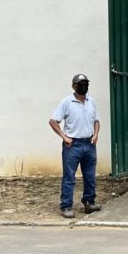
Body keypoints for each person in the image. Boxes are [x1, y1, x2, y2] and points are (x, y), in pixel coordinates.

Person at [49, 73, 102, 219]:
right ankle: (66, 206)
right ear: (74, 86)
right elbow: (53, 121)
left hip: (89, 144)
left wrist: (96, 134)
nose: (84, 86)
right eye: (81, 84)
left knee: (90, 176)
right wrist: (64, 137)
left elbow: (96, 120)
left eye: (86, 84)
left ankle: (89, 202)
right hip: (73, 145)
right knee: (69, 177)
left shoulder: (91, 101)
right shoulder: (67, 102)